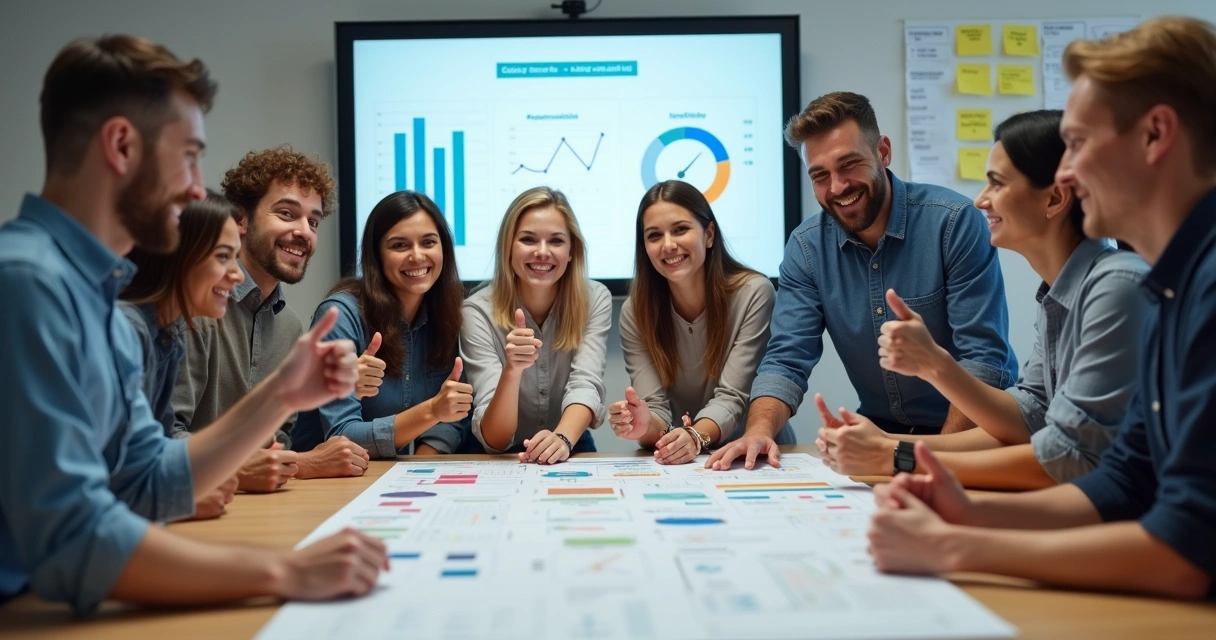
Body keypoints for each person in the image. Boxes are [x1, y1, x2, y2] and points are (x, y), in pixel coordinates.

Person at [0, 34, 386, 615]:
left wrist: (283, 394)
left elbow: (148, 480)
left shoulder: (90, 292)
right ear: (121, 146)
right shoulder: (28, 283)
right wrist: (284, 570)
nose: (196, 187)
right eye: (188, 156)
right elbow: (72, 540)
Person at [867, 16, 1216, 599]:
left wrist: (954, 543)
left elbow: (1185, 549)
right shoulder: (1170, 284)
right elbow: (1125, 481)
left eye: (1077, 143)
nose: (1068, 173)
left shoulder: (1186, 285)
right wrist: (967, 513)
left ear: (1155, 135)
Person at [815, 111, 1149, 489]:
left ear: (1055, 198)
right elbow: (1031, 417)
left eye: (996, 183)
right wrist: (890, 438)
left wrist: (896, 458)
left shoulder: (1116, 289)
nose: (980, 201)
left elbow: (1070, 458)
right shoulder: (1061, 293)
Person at [706, 91, 1019, 470]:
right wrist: (758, 431)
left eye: (849, 165)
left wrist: (926, 461)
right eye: (820, 176)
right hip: (882, 433)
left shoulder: (952, 223)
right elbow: (786, 359)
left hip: (972, 435)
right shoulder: (806, 248)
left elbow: (982, 361)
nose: (837, 187)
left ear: (883, 152)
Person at [172, 146, 369, 491]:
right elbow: (162, 439)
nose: (304, 232)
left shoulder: (290, 326)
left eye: (313, 221)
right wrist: (302, 464)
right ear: (241, 219)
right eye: (287, 214)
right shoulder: (196, 306)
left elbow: (277, 444)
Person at [609, 180, 790, 464]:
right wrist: (644, 424)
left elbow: (733, 397)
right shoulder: (636, 311)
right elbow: (656, 410)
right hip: (686, 460)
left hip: (755, 458)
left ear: (708, 234)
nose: (668, 245)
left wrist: (694, 436)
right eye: (654, 236)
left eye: (680, 229)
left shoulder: (754, 292)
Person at [293, 191, 473, 457]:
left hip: (394, 473)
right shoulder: (340, 315)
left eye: (428, 242)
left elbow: (455, 413)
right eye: (399, 245)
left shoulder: (448, 312)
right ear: (376, 255)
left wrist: (422, 464)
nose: (417, 256)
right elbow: (342, 436)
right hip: (325, 474)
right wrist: (432, 410)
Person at [461, 187, 611, 464]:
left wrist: (562, 439)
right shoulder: (476, 311)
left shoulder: (595, 298)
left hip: (568, 439)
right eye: (528, 239)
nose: (542, 252)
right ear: (508, 247)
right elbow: (495, 440)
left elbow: (585, 382)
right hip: (497, 454)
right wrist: (512, 371)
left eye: (556, 241)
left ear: (571, 251)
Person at [120, 192, 246, 518]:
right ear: (175, 254)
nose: (238, 274)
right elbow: (112, 474)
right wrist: (178, 496)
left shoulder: (169, 333)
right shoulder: (127, 331)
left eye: (236, 257)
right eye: (223, 256)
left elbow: (156, 452)